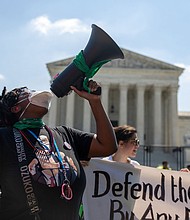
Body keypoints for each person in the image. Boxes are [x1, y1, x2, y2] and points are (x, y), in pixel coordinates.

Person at [0, 81, 117, 220]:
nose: (33, 91)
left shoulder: (65, 134)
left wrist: (95, 101)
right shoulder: (4, 137)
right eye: (26, 91)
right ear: (16, 108)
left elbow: (107, 146)